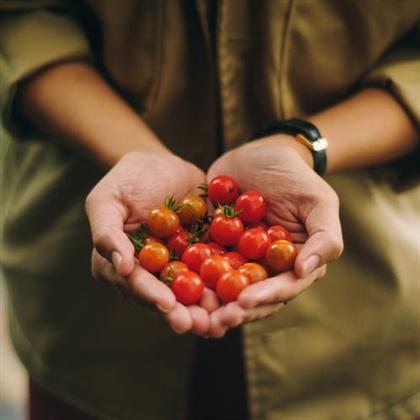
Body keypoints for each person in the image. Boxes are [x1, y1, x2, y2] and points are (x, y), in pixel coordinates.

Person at [0, 1, 419, 419]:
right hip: (90, 326)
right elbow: (20, 19)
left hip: (363, 316)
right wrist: (135, 152)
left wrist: (301, 147)